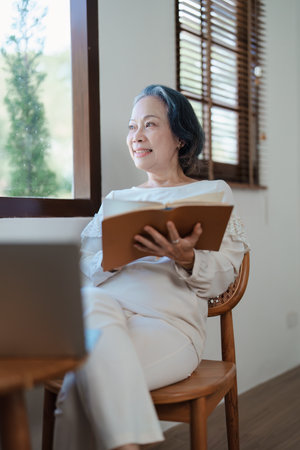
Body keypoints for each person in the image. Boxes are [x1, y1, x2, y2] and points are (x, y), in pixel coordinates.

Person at [53, 85, 249, 450]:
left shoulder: (211, 193)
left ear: (180, 137)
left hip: (168, 327)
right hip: (106, 312)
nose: (136, 136)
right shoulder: (118, 200)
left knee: (78, 387)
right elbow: (83, 270)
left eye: (150, 124)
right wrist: (117, 257)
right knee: (89, 302)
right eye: (131, 127)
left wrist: (185, 258)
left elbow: (225, 276)